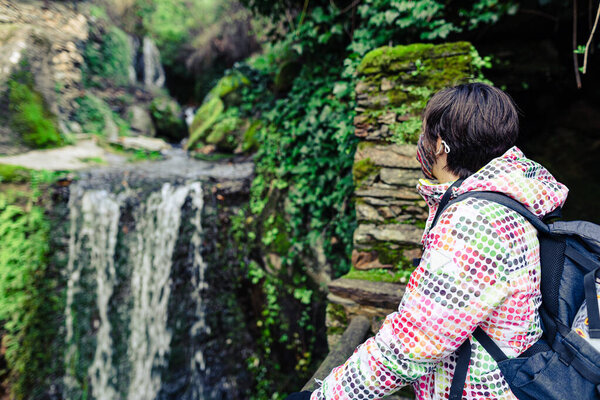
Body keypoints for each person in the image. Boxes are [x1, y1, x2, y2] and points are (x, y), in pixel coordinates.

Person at [290, 82, 569, 399]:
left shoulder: (473, 224)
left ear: (439, 144)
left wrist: (320, 396)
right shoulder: (511, 197)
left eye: (425, 135)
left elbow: (411, 345)